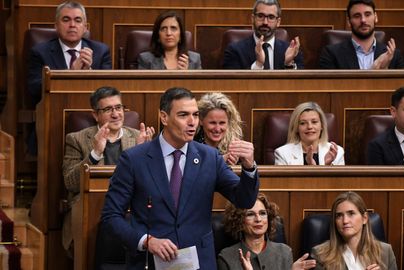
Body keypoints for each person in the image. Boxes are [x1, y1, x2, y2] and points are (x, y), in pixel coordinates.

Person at [101, 87, 259, 269]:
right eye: (183, 115)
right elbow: (111, 216)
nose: (192, 122)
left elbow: (245, 200)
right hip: (150, 262)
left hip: (199, 262)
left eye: (196, 115)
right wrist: (147, 241)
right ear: (164, 117)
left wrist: (249, 168)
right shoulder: (134, 159)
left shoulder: (210, 158)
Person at [62, 86, 154, 252]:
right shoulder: (76, 139)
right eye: (107, 109)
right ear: (95, 115)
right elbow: (70, 183)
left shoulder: (138, 137)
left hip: (130, 205)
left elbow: (151, 182)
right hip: (92, 208)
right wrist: (95, 153)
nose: (115, 114)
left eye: (119, 108)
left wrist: (141, 154)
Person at [28, 1, 112, 105]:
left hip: (90, 110)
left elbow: (108, 92)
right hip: (55, 108)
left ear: (85, 27)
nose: (72, 25)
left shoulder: (101, 51)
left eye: (78, 20)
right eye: (66, 20)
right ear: (56, 26)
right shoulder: (40, 52)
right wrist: (70, 74)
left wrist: (89, 72)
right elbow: (34, 90)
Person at [217, 193, 316, 270]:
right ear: (239, 220)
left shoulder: (284, 252)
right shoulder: (226, 257)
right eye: (250, 214)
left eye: (263, 213)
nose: (258, 219)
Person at [311, 191, 398, 270]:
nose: (345, 221)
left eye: (351, 213)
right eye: (339, 215)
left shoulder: (386, 252)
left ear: (364, 218)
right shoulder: (320, 254)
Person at [318, 0, 404, 69]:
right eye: (357, 16)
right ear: (349, 21)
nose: (363, 20)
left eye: (367, 14)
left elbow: (401, 89)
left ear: (375, 17)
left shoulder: (394, 56)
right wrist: (373, 71)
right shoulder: (331, 54)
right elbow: (330, 89)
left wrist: (385, 71)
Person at [223, 0, 304, 69]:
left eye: (271, 17)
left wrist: (288, 64)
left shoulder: (292, 52)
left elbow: (300, 85)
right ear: (252, 19)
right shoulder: (235, 51)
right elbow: (232, 85)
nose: (265, 22)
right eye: (260, 16)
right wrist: (258, 65)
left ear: (278, 22)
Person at [275, 102, 345, 165]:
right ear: (296, 128)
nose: (309, 127)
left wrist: (327, 166)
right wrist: (310, 168)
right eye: (303, 123)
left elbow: (339, 180)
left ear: (322, 126)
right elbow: (284, 180)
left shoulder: (337, 153)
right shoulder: (282, 153)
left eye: (314, 122)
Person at [138, 11, 202, 70]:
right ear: (158, 36)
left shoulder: (195, 59)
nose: (168, 33)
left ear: (180, 35)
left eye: (173, 28)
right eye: (164, 29)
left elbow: (200, 83)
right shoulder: (145, 59)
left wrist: (186, 74)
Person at [196, 92, 244, 166]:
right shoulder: (191, 145)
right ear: (201, 120)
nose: (217, 129)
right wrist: (219, 162)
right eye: (212, 123)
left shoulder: (236, 146)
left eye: (222, 123)